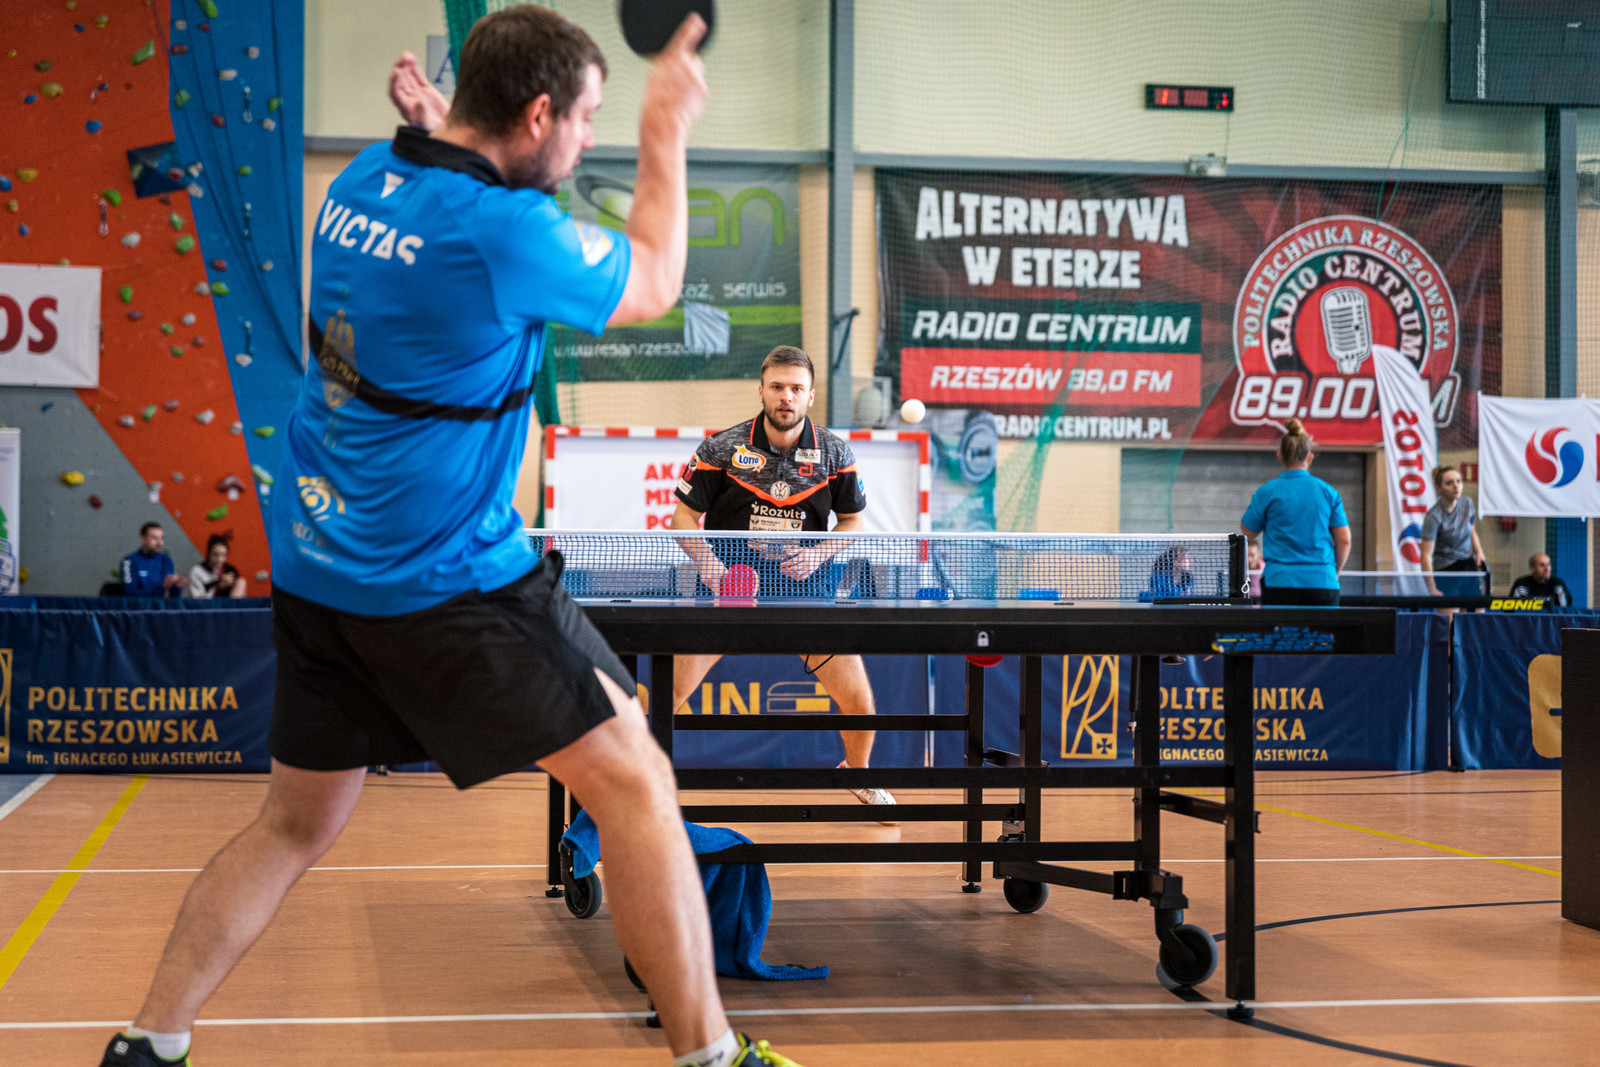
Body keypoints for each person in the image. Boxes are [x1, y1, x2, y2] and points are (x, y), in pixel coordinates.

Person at [102, 11, 800, 1067]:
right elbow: (656, 278)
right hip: (444, 578)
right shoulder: (504, 234)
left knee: (292, 824)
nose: (589, 142)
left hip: (319, 568)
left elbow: (444, 197)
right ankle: (712, 1057)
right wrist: (665, 124)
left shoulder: (362, 184)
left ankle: (149, 1040)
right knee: (638, 782)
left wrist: (443, 134)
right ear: (537, 115)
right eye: (587, 120)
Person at [670, 345, 896, 822]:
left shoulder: (834, 453)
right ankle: (634, 783)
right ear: (761, 391)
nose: (785, 396)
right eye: (777, 387)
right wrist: (711, 568)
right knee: (668, 693)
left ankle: (858, 774)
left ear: (810, 396)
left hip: (804, 591)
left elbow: (852, 522)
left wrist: (817, 555)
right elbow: (683, 518)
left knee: (859, 702)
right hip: (730, 588)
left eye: (796, 388)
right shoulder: (722, 449)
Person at [1239, 418, 1350, 606]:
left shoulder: (1266, 492)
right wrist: (1333, 571)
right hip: (1323, 581)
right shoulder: (1329, 493)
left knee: (1282, 628)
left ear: (1279, 456)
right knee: (1324, 628)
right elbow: (1344, 540)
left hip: (1279, 583)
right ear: (1310, 457)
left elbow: (1247, 532)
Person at [1420, 465, 1486, 599]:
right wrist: (1431, 588)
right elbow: (1426, 555)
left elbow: (1472, 530)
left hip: (1468, 566)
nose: (1456, 486)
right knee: (1451, 612)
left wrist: (1479, 552)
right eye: (1449, 483)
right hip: (1445, 571)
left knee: (1478, 610)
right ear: (1438, 489)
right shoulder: (1433, 517)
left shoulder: (1467, 503)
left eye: (1459, 481)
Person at [120, 522, 187, 598]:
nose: (159, 543)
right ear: (143, 539)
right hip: (138, 605)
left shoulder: (166, 560)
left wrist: (177, 586)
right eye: (155, 538)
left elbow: (173, 597)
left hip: (160, 605)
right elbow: (129, 593)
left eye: (161, 538)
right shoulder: (129, 561)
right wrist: (161, 587)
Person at [184, 534, 246, 599]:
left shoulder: (231, 571)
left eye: (223, 555)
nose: (219, 559)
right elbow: (198, 600)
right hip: (207, 604)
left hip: (228, 603)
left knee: (241, 582)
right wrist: (219, 587)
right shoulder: (196, 571)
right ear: (208, 553)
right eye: (215, 555)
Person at [1509, 552, 1573, 608]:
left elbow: (1565, 611)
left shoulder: (1557, 584)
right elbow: (1513, 611)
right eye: (1542, 565)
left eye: (1548, 564)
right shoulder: (1522, 584)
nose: (1547, 569)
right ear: (1532, 569)